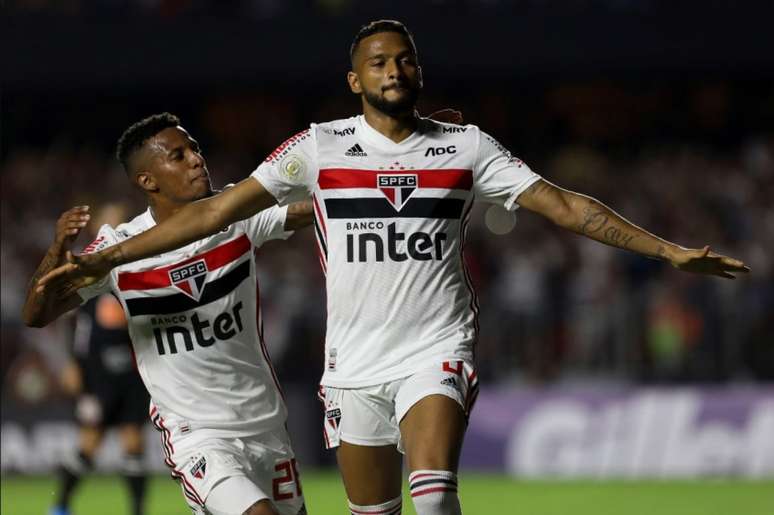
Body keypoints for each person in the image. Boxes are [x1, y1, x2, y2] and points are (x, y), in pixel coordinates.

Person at [36, 21, 750, 515]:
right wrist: (98, 258)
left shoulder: (465, 146)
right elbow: (206, 218)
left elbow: (563, 205)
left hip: (432, 350)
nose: (394, 70)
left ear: (419, 71)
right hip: (342, 373)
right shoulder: (315, 149)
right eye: (379, 61)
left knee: (432, 491)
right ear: (354, 79)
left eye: (404, 59)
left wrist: (667, 249)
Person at [24, 113, 313, 515]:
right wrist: (56, 251)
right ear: (148, 180)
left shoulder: (235, 216)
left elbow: (304, 211)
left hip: (265, 423)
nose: (196, 159)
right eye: (178, 155)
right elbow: (36, 313)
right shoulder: (118, 250)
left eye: (194, 148)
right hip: (198, 436)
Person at [50, 203, 151, 515]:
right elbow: (77, 324)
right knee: (89, 444)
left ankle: (136, 510)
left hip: (133, 372)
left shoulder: (140, 265)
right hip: (98, 373)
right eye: (109, 222)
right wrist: (72, 363)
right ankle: (61, 505)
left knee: (133, 443)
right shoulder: (87, 267)